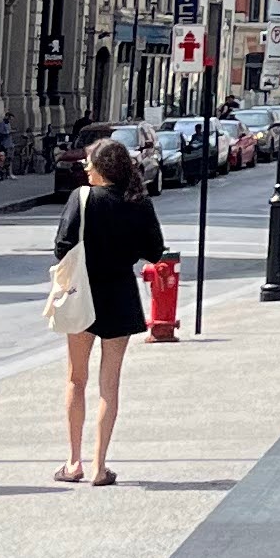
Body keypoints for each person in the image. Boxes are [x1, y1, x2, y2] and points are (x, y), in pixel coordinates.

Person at [52, 134, 165, 485]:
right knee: (109, 386)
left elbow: (61, 247)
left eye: (89, 163)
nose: (85, 168)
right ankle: (101, 466)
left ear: (102, 169)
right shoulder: (138, 202)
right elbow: (156, 251)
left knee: (76, 379)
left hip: (82, 294)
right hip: (119, 295)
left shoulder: (82, 199)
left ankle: (74, 462)